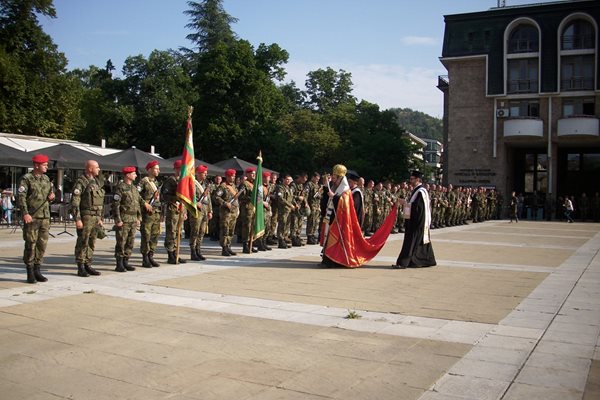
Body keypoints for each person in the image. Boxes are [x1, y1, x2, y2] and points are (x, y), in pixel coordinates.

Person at [321, 165, 397, 268]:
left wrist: (334, 197)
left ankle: (336, 261)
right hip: (335, 219)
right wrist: (328, 189)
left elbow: (345, 205)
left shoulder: (347, 191)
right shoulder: (338, 188)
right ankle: (328, 260)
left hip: (344, 221)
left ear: (341, 179)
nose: (334, 181)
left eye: (335, 178)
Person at [17, 154, 55, 283]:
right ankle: (30, 271)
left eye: (46, 165)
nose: (46, 167)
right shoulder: (26, 179)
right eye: (44, 165)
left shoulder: (46, 179)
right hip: (32, 217)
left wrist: (52, 197)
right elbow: (21, 197)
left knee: (42, 244)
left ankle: (38, 269)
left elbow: (48, 195)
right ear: (36, 165)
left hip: (44, 216)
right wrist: (25, 213)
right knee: (30, 244)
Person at [393, 170, 436, 269]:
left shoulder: (420, 192)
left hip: (417, 222)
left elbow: (418, 208)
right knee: (419, 242)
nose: (410, 181)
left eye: (412, 179)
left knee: (412, 242)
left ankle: (404, 263)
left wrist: (405, 203)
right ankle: (424, 260)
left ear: (418, 180)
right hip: (415, 221)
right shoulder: (417, 190)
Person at [71, 160, 104, 277]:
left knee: (92, 241)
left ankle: (88, 264)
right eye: (97, 167)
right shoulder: (81, 182)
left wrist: (99, 217)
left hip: (95, 217)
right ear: (90, 168)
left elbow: (98, 201)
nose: (99, 169)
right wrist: (78, 219)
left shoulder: (95, 182)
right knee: (83, 241)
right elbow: (75, 202)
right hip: (86, 216)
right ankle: (80, 266)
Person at [111, 166, 142, 272]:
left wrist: (138, 217)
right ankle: (119, 263)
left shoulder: (134, 188)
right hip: (124, 218)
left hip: (133, 218)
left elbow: (137, 203)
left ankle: (126, 262)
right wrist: (118, 220)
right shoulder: (120, 187)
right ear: (128, 175)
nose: (136, 175)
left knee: (130, 241)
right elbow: (115, 205)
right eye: (134, 173)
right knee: (121, 241)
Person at [161, 159, 186, 264]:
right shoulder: (170, 181)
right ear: (176, 169)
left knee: (178, 233)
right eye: (180, 169)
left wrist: (185, 212)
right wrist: (176, 199)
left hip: (180, 209)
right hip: (172, 209)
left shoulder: (182, 181)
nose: (182, 171)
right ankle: (170, 254)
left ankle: (176, 253)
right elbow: (164, 196)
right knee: (171, 232)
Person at [138, 160, 162, 268]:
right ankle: (145, 258)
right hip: (147, 213)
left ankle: (151, 255)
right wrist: (144, 204)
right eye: (156, 168)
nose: (158, 170)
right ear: (150, 170)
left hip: (156, 212)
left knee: (155, 235)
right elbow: (136, 194)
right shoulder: (144, 181)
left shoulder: (156, 182)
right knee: (146, 235)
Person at [214, 169, 240, 256]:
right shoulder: (223, 186)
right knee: (225, 230)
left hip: (233, 212)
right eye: (231, 176)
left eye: (234, 176)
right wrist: (225, 203)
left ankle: (229, 246)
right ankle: (224, 248)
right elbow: (216, 197)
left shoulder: (234, 187)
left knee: (231, 231)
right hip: (226, 213)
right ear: (227, 176)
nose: (233, 177)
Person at [189, 165, 212, 260]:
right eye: (204, 173)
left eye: (206, 173)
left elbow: (208, 199)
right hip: (196, 211)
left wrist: (210, 210)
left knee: (202, 232)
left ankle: (198, 250)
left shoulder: (206, 185)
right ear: (198, 173)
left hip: (205, 210)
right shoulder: (192, 183)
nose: (206, 174)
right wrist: (195, 203)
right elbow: (189, 196)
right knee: (195, 231)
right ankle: (193, 251)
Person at [238, 167, 258, 254]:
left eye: (254, 173)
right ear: (247, 174)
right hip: (246, 208)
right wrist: (252, 198)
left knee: (252, 227)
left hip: (253, 208)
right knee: (247, 227)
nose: (253, 175)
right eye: (251, 174)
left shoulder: (254, 184)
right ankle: (245, 245)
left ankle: (251, 244)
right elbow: (241, 196)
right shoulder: (244, 184)